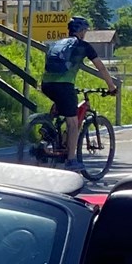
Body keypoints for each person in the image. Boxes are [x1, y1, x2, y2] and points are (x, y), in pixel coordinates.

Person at [41, 16, 116, 163]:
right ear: (81, 31)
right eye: (85, 30)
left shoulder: (57, 43)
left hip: (46, 84)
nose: (85, 33)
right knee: (73, 123)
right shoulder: (83, 46)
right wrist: (111, 86)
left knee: (60, 102)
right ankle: (71, 160)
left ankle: (49, 127)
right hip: (64, 85)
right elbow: (100, 67)